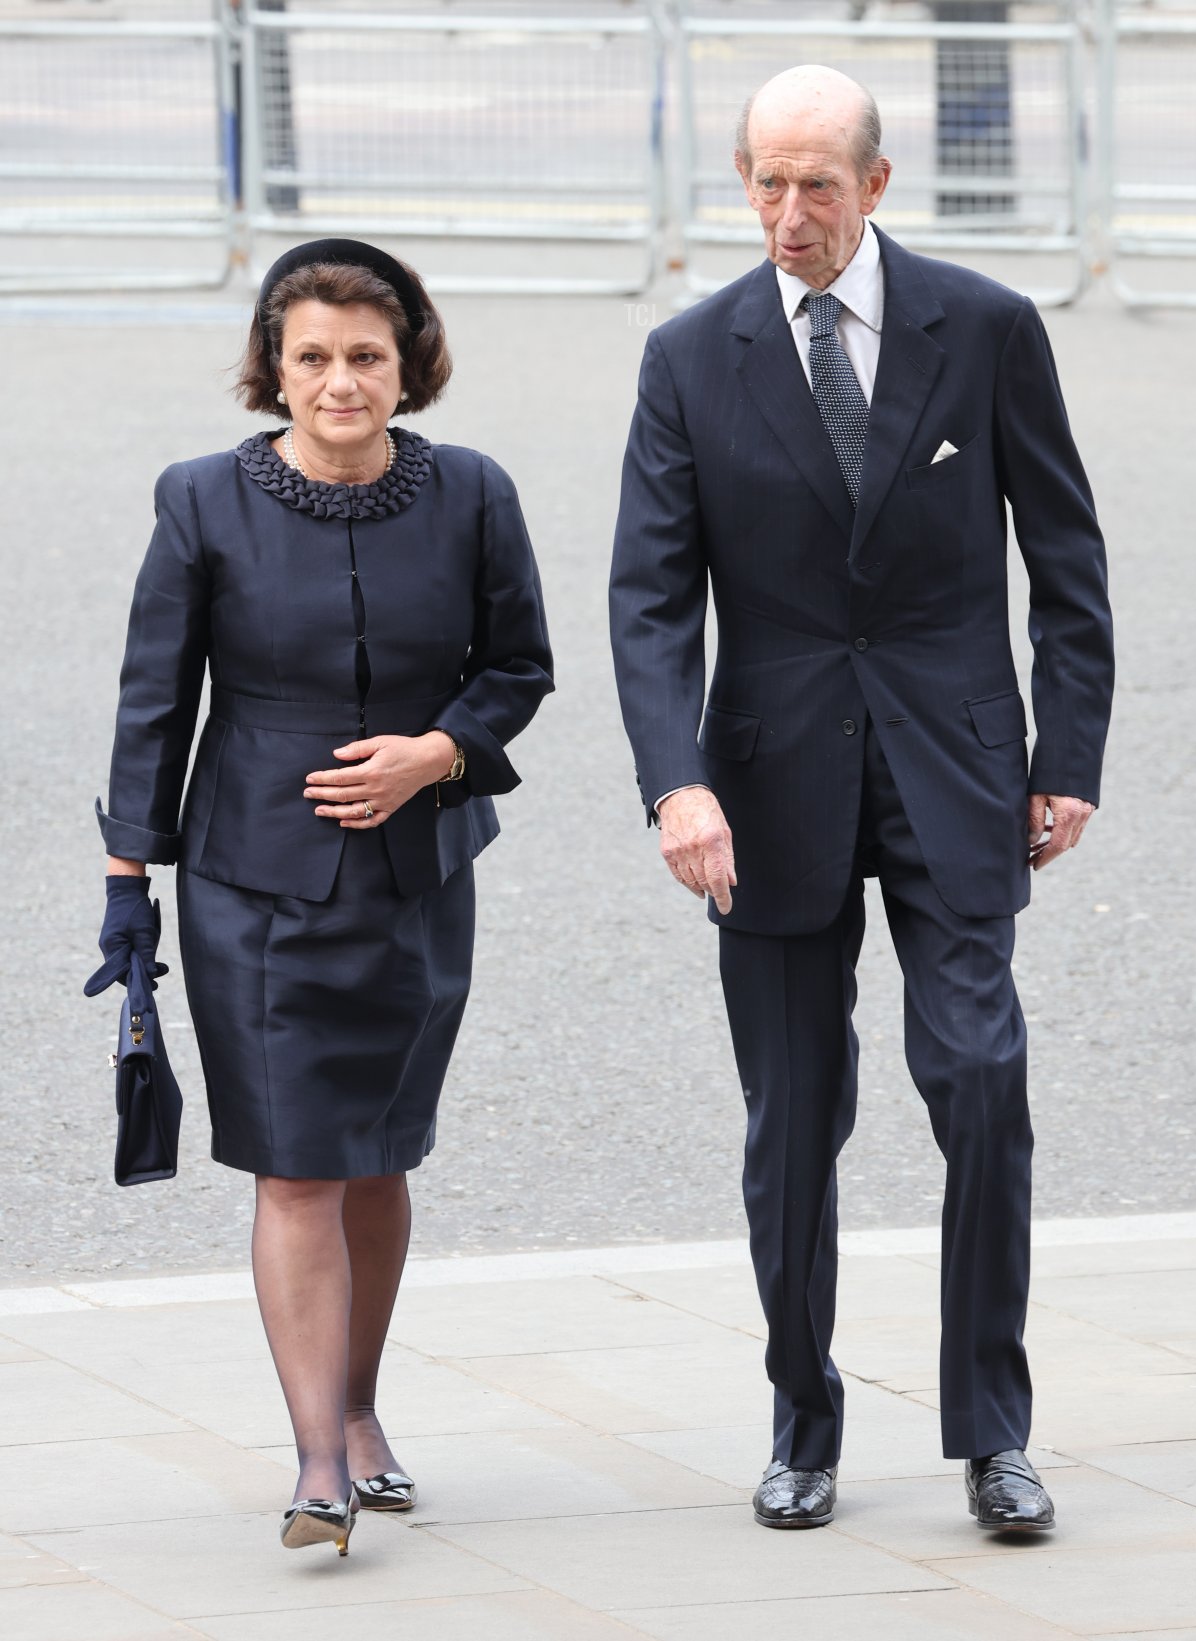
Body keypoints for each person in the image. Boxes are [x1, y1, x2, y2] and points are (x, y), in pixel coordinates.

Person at [609, 67, 1113, 1532]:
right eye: (764, 182)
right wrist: (675, 784)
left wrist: (1068, 755)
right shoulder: (689, 357)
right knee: (792, 1124)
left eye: (817, 184)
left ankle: (994, 1433)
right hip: (766, 791)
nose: (788, 214)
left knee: (982, 1084)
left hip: (957, 769)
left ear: (877, 185)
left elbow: (1067, 561)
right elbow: (651, 600)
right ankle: (802, 1422)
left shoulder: (988, 328)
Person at [90, 238, 553, 1555]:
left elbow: (519, 666)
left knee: (378, 1155)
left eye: (365, 356)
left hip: (419, 877)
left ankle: (357, 1408)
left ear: (408, 367)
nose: (340, 381)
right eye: (313, 357)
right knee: (296, 1162)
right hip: (252, 883)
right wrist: (129, 881)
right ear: (273, 368)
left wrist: (437, 752)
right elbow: (155, 699)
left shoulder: (473, 492)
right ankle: (316, 1466)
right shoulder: (200, 499)